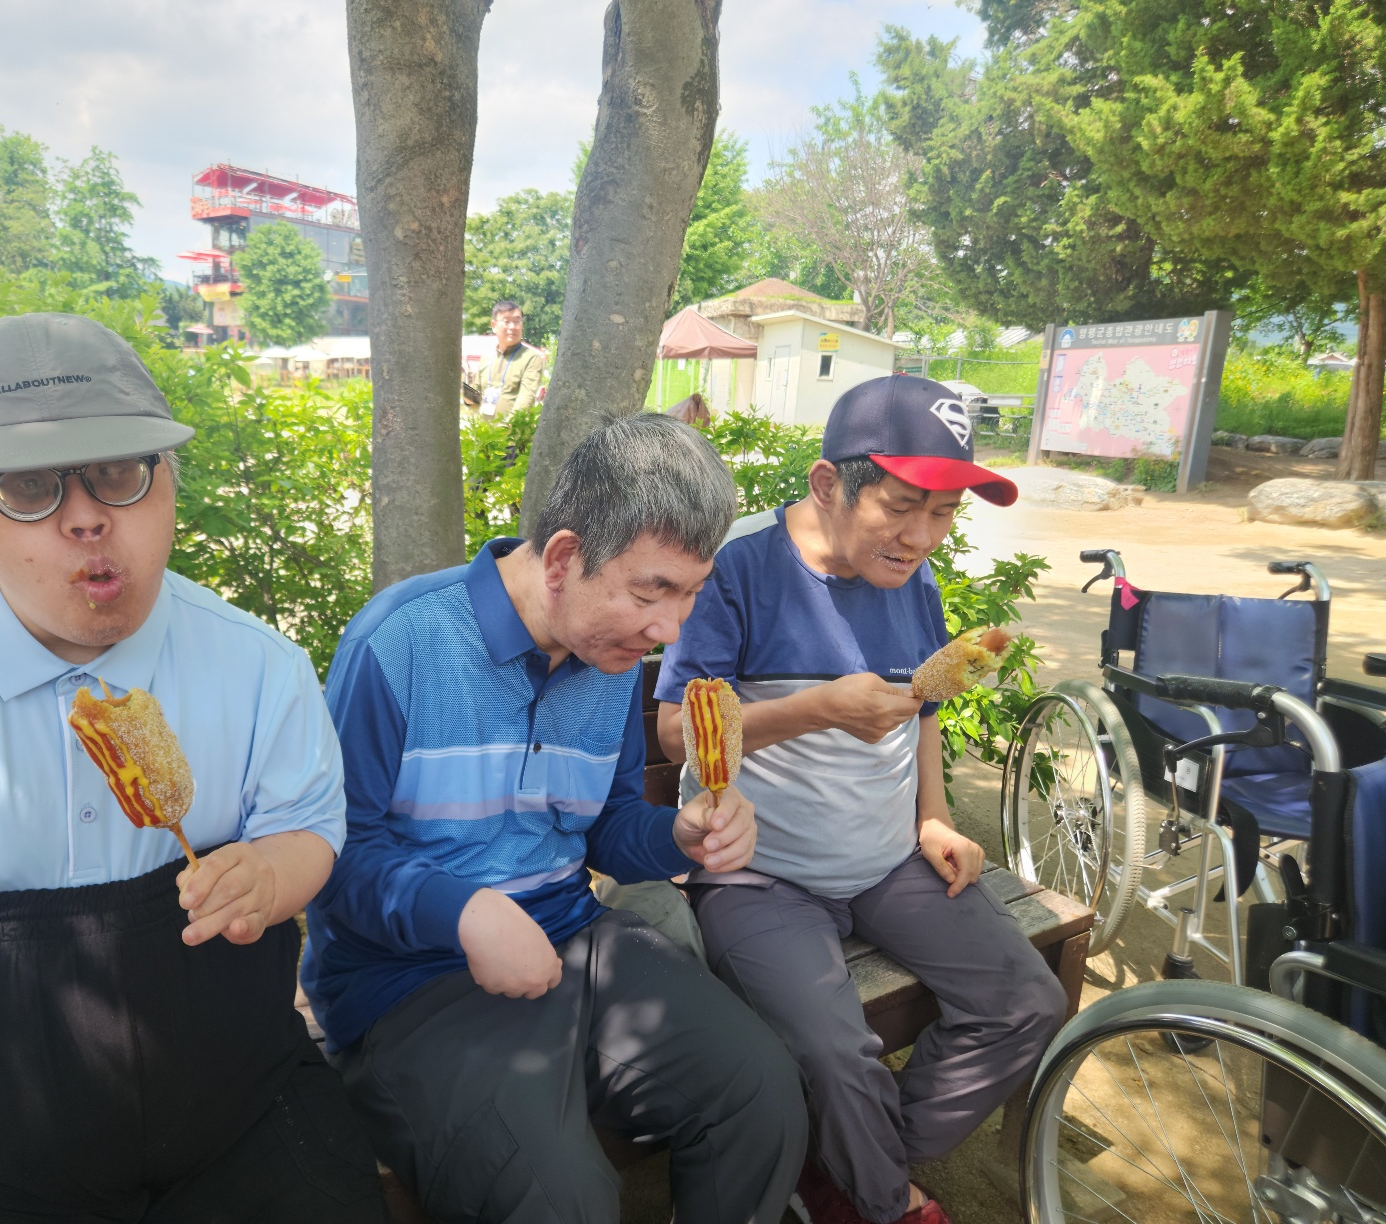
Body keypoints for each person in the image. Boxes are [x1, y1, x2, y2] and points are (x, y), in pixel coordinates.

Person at [0, 313, 387, 1224]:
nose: (87, 516)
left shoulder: (258, 666)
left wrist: (273, 873)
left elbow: (310, 827)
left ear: (169, 477)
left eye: (121, 472)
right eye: (29, 486)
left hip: (244, 1133)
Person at [301, 414, 808, 1224]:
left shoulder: (610, 656)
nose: (669, 630)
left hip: (576, 937)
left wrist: (678, 836)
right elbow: (332, 852)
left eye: (690, 593)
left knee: (762, 1090)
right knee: (556, 1196)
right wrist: (465, 912)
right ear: (565, 558)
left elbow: (606, 823)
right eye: (650, 591)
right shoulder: (400, 642)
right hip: (407, 982)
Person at [655, 375, 1068, 1224]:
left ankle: (843, 1169)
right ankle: (886, 1201)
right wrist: (816, 710)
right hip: (759, 874)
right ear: (826, 483)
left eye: (944, 513)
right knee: (835, 1051)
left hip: (889, 861)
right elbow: (673, 735)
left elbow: (925, 712)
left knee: (1028, 1003)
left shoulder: (913, 578)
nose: (921, 537)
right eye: (901, 506)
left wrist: (933, 817)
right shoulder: (736, 567)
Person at [464, 299, 546, 418]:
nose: (512, 327)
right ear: (494, 325)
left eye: (517, 321)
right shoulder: (486, 358)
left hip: (514, 429)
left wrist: (508, 426)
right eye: (506, 321)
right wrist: (463, 392)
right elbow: (475, 401)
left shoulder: (531, 358)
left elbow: (525, 400)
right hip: (484, 429)